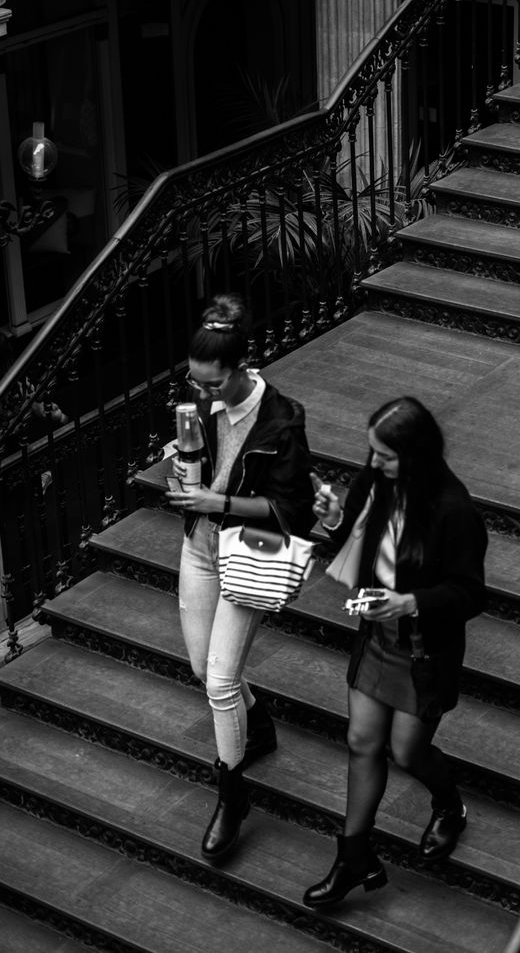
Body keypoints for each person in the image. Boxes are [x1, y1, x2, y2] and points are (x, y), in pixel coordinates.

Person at [303, 396, 488, 908]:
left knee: (406, 751)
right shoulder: (374, 483)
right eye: (372, 452)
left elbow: (471, 593)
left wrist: (411, 601)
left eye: (384, 455)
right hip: (377, 637)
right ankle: (353, 856)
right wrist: (337, 517)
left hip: (424, 649)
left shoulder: (453, 510)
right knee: (362, 741)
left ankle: (450, 806)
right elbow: (356, 544)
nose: (372, 463)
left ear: (418, 455)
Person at [166, 293, 313, 863]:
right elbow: (199, 462)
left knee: (220, 682)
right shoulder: (199, 407)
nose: (200, 394)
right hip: (200, 545)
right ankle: (259, 722)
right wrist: (183, 470)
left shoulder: (281, 418)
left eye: (210, 385)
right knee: (204, 668)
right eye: (193, 382)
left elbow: (293, 508)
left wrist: (216, 497)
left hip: (248, 549)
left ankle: (232, 796)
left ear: (240, 368)